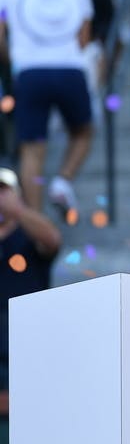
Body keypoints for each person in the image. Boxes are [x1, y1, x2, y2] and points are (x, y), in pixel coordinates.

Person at [0, 0, 94, 216]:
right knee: (84, 131)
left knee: (32, 149)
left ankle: (35, 221)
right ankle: (63, 182)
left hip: (30, 73)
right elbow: (84, 38)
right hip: (70, 70)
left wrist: (13, 61)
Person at [0, 167, 62, 390]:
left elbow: (52, 240)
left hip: (26, 336)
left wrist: (16, 210)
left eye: (3, 190)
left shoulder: (28, 233)